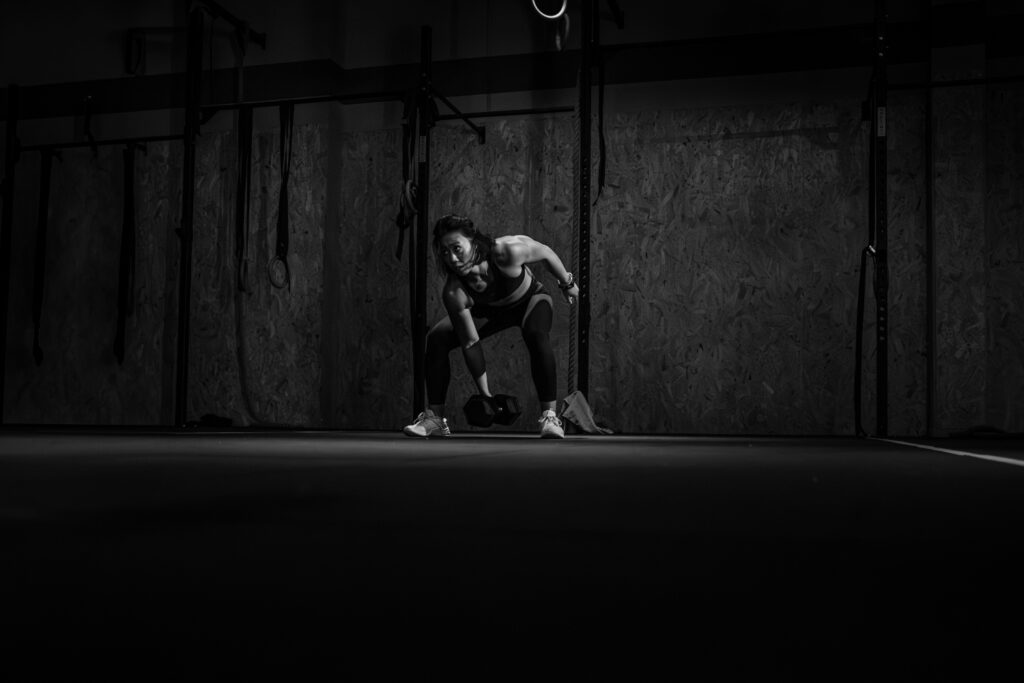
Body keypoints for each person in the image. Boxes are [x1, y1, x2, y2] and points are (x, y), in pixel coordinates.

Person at [403, 214, 580, 439]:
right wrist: (485, 395)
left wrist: (567, 283)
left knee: (536, 334)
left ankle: (550, 417)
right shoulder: (454, 291)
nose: (452, 259)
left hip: (529, 301)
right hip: (489, 313)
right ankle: (435, 419)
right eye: (445, 252)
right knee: (437, 337)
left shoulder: (506, 250)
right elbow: (470, 342)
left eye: (457, 248)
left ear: (474, 241)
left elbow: (545, 252)